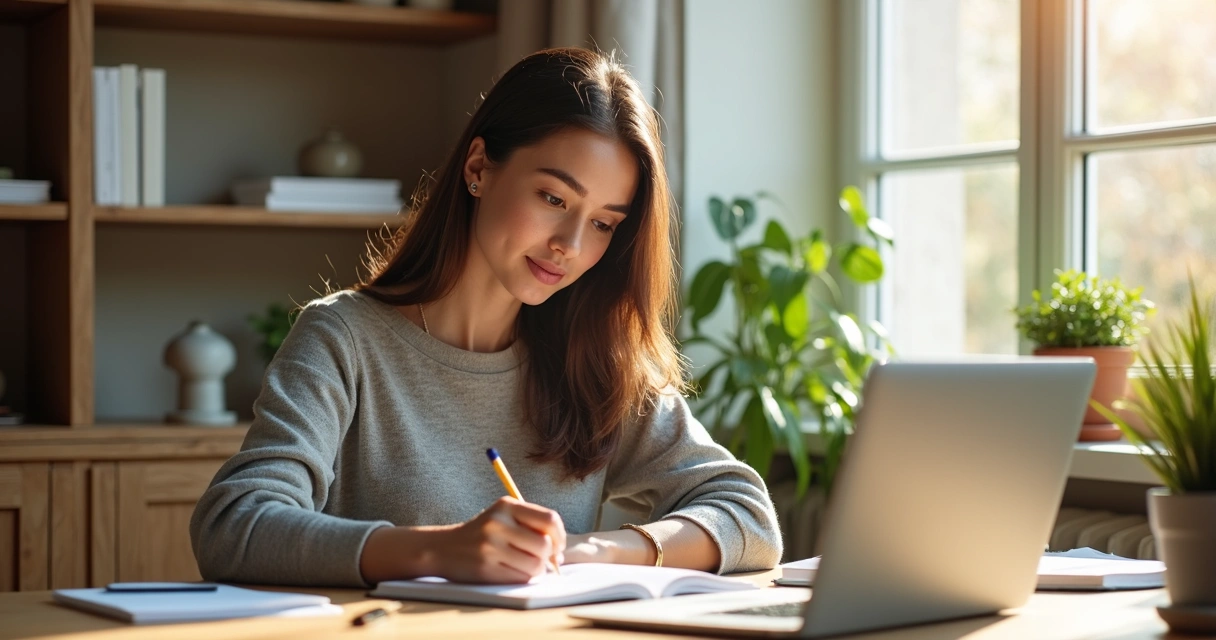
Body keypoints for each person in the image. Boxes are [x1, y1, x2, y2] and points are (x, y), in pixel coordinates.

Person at [190, 47, 782, 588]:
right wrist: (436, 552)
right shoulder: (343, 339)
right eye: (553, 198)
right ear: (479, 167)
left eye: (603, 222)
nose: (570, 244)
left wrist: (595, 549)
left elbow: (747, 515)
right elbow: (234, 523)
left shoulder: (593, 357)